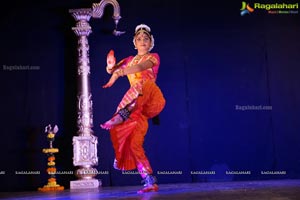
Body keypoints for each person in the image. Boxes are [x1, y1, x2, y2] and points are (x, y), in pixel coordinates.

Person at [100, 24, 166, 193]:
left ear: (151, 42)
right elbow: (113, 71)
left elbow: (140, 68)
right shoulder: (129, 59)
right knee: (134, 143)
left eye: (146, 38)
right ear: (134, 43)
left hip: (151, 99)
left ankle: (122, 114)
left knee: (143, 83)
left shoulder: (153, 57)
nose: (142, 41)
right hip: (138, 111)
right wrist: (110, 67)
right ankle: (149, 180)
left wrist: (122, 72)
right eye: (139, 39)